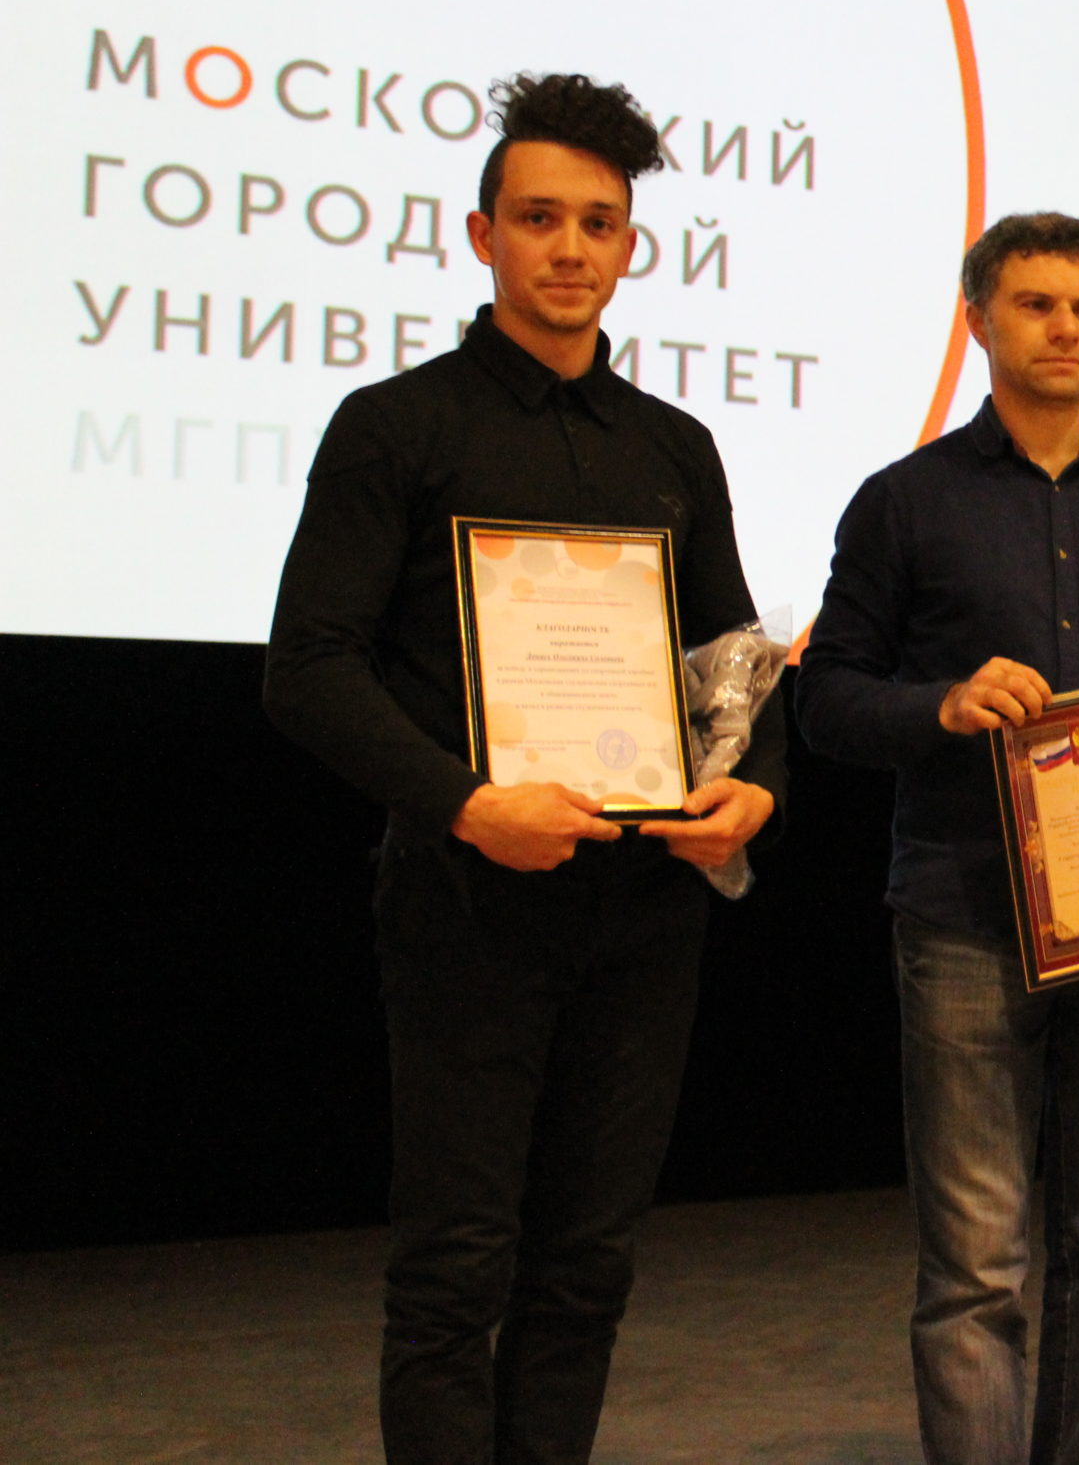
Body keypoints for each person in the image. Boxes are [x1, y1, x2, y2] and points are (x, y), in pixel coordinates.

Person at [265, 72, 783, 1463]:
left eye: (597, 223)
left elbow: (733, 659)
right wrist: (467, 802)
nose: (569, 248)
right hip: (467, 900)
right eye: (540, 218)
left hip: (644, 911)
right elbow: (307, 665)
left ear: (631, 246)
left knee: (588, 1262)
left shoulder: (674, 447)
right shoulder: (396, 426)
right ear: (482, 233)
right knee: (457, 1263)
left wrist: (756, 788)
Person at [796, 211, 1079, 1465]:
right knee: (975, 1267)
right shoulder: (904, 501)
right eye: (1036, 304)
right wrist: (940, 706)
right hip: (966, 916)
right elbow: (825, 697)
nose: (1064, 329)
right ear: (978, 319)